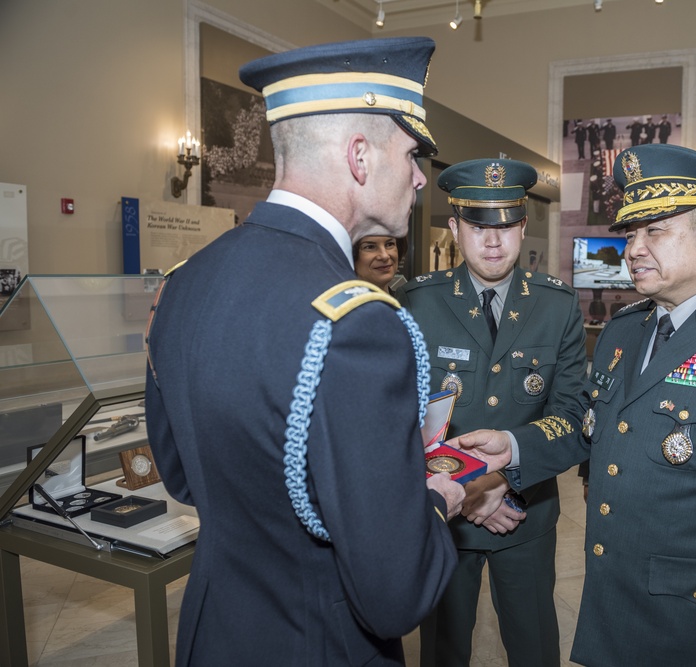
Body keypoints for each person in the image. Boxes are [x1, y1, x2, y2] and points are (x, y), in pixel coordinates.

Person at [144, 37, 464, 666]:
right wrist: (434, 500)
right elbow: (395, 593)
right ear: (359, 155)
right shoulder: (359, 322)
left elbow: (182, 477)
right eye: (412, 154)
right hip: (320, 643)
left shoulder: (184, 281)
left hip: (216, 632)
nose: (422, 176)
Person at [454, 144, 696, 666]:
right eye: (630, 233)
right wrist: (512, 447)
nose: (632, 249)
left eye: (655, 231)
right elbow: (591, 429)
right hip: (616, 602)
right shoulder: (623, 331)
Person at [398, 158, 588, 667]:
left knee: (534, 646)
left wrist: (500, 480)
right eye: (479, 226)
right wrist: (468, 493)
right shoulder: (414, 302)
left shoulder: (557, 306)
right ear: (454, 227)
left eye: (505, 226)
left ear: (523, 226)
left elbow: (574, 416)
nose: (493, 241)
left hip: (525, 514)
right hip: (443, 514)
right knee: (443, 648)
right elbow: (394, 420)